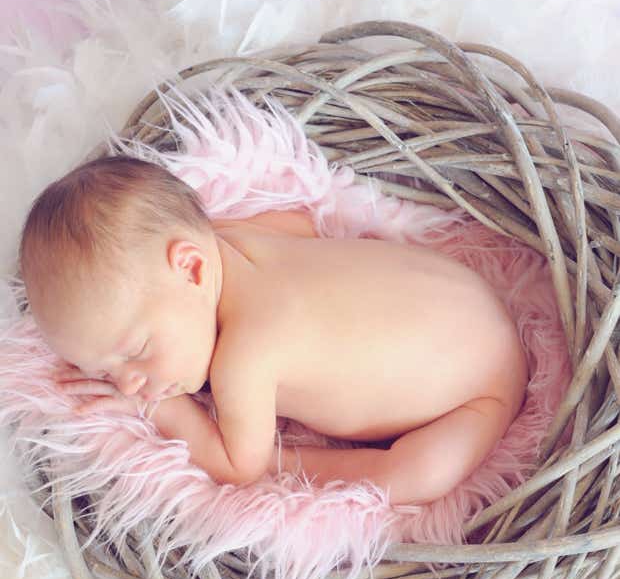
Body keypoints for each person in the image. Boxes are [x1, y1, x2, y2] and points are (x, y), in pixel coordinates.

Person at [19, 155, 528, 505]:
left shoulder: (245, 356)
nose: (129, 384)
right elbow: (302, 226)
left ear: (192, 268)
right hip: (466, 291)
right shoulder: (234, 237)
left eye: (136, 351)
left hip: (480, 393)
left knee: (415, 476)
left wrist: (167, 409)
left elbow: (239, 465)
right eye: (103, 373)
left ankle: (299, 461)